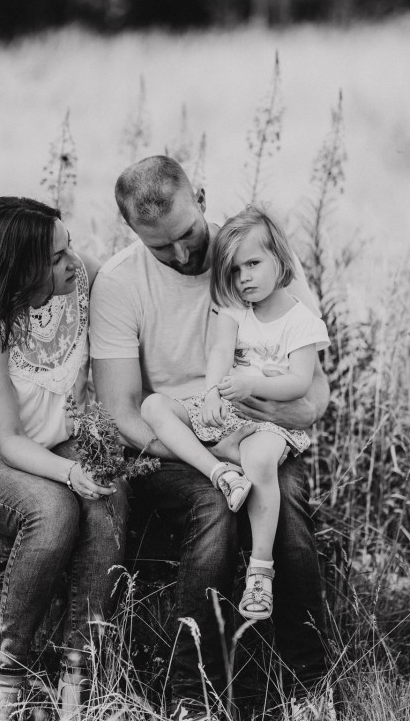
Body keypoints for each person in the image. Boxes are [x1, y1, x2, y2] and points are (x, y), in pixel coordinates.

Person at [90, 156, 335, 720]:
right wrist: (205, 454)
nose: (181, 255)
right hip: (173, 445)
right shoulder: (120, 284)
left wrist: (276, 418)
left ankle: (307, 682)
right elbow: (125, 412)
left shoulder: (253, 252)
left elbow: (315, 393)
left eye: (186, 235)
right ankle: (189, 693)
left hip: (260, 425)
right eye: (161, 247)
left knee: (288, 508)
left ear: (200, 196)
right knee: (215, 510)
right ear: (133, 233)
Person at [0, 197, 128, 721]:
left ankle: (78, 674)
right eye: (56, 256)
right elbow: (8, 439)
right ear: (20, 269)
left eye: (69, 245)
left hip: (55, 438)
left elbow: (132, 283)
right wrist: (70, 472)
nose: (74, 260)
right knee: (53, 508)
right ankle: (7, 677)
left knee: (109, 495)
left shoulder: (80, 279)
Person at [140, 208, 330, 623]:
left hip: (267, 423)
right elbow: (220, 353)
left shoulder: (301, 321)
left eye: (253, 264)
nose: (244, 277)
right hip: (226, 411)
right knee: (154, 406)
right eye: (235, 269)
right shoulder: (234, 311)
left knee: (260, 460)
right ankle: (219, 473)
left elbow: (300, 382)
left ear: (280, 258)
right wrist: (211, 392)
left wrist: (251, 385)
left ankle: (260, 572)